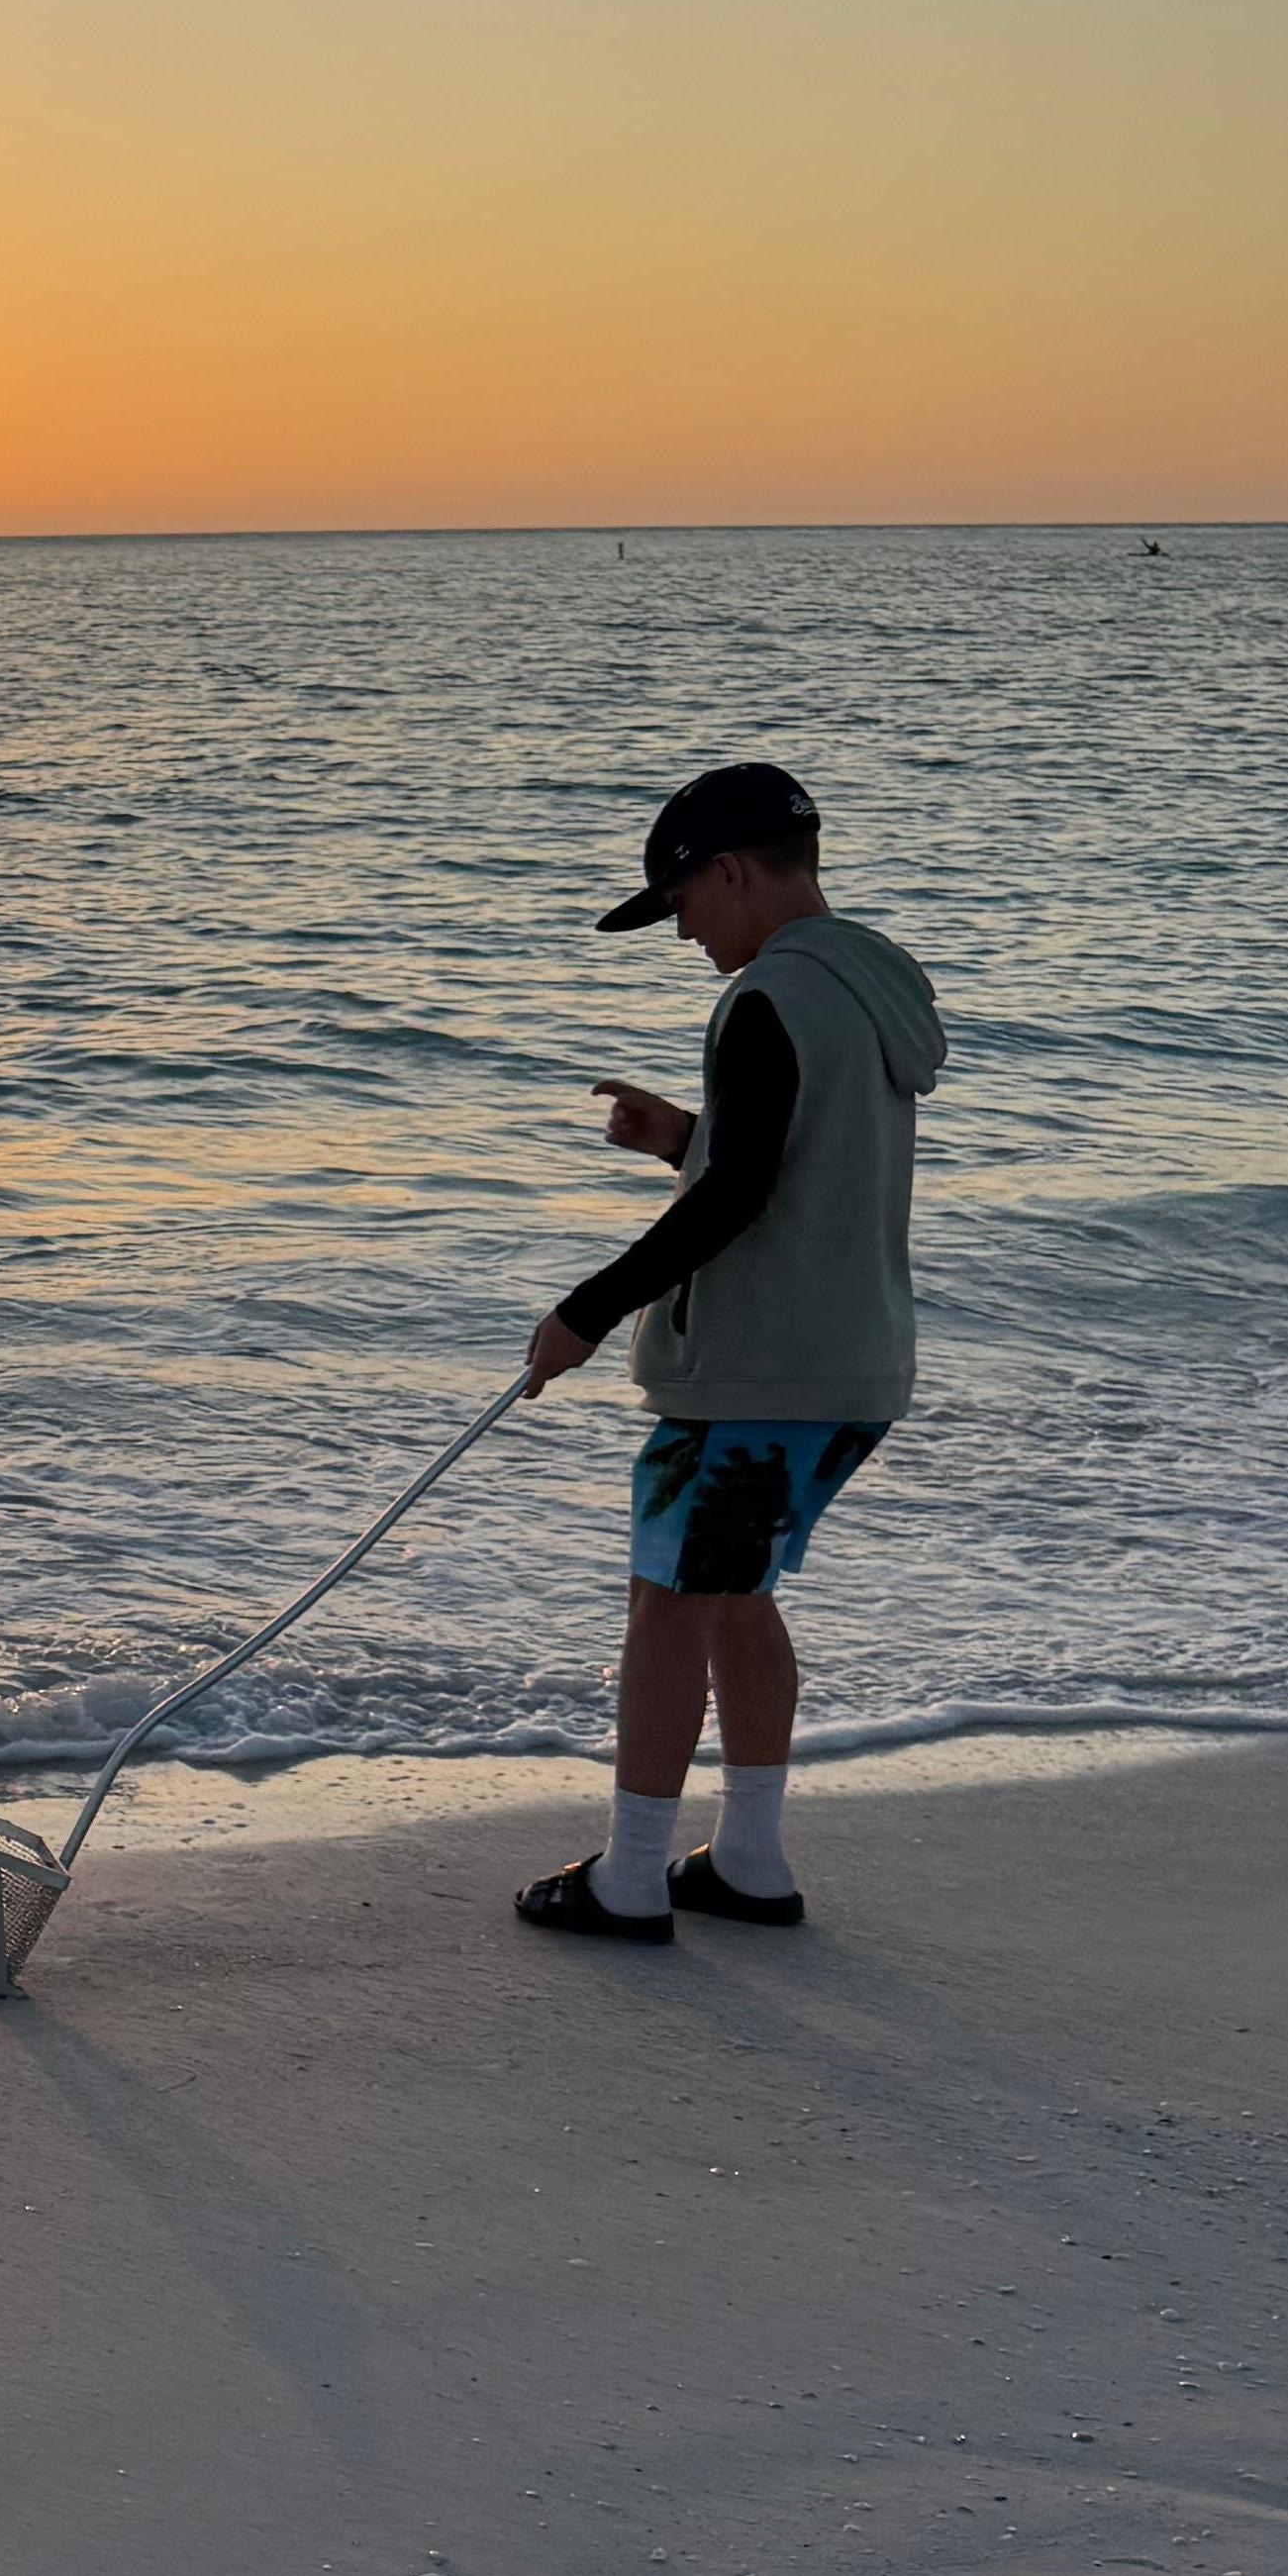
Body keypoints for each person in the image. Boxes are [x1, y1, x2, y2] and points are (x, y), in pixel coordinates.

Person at [515, 757, 947, 1942]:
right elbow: (797, 1164)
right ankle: (749, 1861)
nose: (685, 934)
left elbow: (742, 1197)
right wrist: (681, 1137)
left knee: (666, 1607)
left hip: (753, 1378)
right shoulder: (868, 983)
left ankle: (631, 1879)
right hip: (850, 1365)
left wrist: (589, 1309)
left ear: (736, 871)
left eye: (685, 905)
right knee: (737, 1602)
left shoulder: (765, 999)